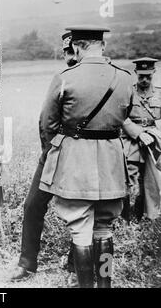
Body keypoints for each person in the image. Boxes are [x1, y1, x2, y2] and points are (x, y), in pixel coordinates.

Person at [37, 26, 134, 288]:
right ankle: (105, 285)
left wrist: (54, 154)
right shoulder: (124, 78)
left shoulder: (65, 78)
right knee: (105, 228)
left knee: (80, 227)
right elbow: (126, 116)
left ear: (77, 47)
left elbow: (47, 124)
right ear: (102, 46)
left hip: (75, 162)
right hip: (112, 163)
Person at [10, 31, 78, 281]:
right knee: (33, 205)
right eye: (66, 52)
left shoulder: (94, 78)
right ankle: (27, 263)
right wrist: (50, 152)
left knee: (81, 209)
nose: (69, 57)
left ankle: (75, 264)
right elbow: (46, 120)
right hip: (53, 153)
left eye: (72, 51)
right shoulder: (62, 78)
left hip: (81, 155)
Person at [121, 57, 161, 256]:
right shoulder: (128, 93)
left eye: (148, 76)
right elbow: (122, 117)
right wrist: (138, 132)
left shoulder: (160, 95)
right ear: (136, 74)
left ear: (153, 73)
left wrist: (153, 134)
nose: (144, 80)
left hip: (153, 145)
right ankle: (127, 221)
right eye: (141, 76)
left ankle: (150, 219)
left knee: (152, 185)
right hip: (132, 143)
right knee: (130, 183)